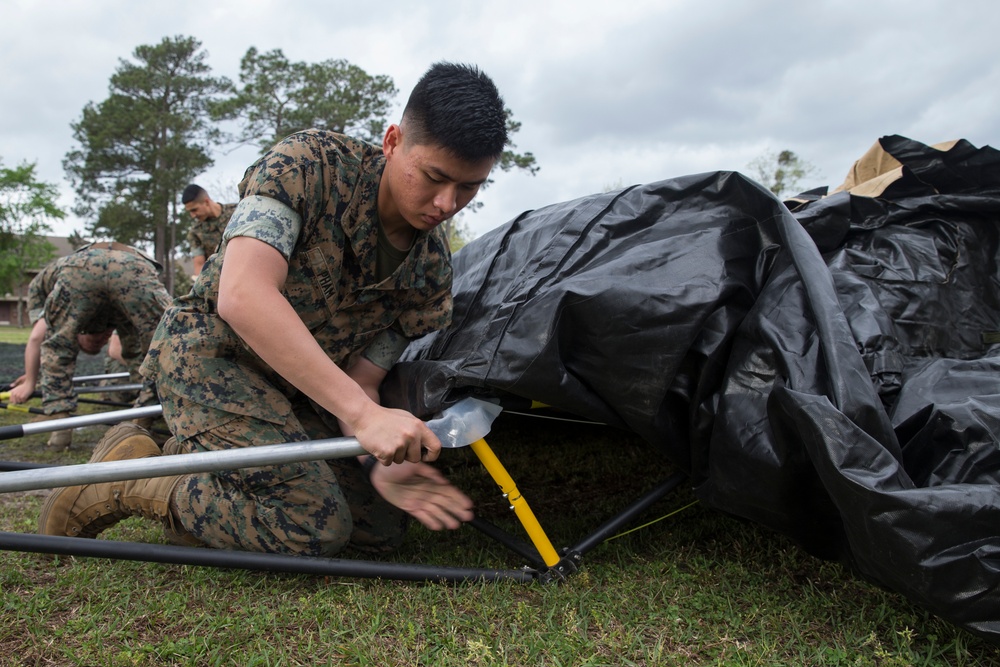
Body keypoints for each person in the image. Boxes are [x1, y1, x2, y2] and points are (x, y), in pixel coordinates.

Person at [40, 62, 509, 557]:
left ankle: (187, 464)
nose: (445, 202)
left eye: (469, 187)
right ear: (393, 141)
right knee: (312, 526)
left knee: (380, 530)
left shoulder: (430, 270)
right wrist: (364, 415)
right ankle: (124, 482)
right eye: (435, 176)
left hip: (295, 393)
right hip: (211, 357)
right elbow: (243, 295)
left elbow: (363, 378)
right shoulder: (310, 166)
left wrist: (377, 461)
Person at [8, 242, 173, 448]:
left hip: (83, 268)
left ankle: (61, 425)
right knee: (162, 346)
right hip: (134, 269)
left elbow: (42, 341)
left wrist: (31, 380)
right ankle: (143, 420)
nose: (100, 341)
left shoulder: (50, 286)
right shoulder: (117, 318)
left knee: (58, 347)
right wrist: (31, 379)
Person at [182, 184, 236, 276]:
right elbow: (199, 265)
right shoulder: (196, 232)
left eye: (194, 210)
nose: (193, 215)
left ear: (206, 202)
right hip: (221, 278)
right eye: (190, 212)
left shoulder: (237, 212)